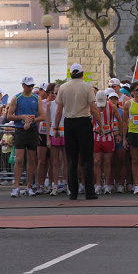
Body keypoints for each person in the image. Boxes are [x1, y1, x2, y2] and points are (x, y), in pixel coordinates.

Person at [54, 64, 102, 200]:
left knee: (71, 159)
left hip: (69, 123)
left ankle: (73, 192)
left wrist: (56, 128)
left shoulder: (63, 87)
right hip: (84, 122)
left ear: (70, 74)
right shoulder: (87, 87)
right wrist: (101, 126)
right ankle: (89, 191)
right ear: (82, 73)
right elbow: (93, 109)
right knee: (87, 159)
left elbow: (59, 111)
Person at [8, 77, 45, 197]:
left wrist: (32, 119)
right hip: (20, 130)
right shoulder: (17, 98)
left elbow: (43, 116)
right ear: (23, 85)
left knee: (31, 159)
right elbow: (9, 116)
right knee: (19, 159)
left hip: (32, 130)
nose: (30, 88)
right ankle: (17, 187)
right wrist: (23, 117)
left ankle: (29, 186)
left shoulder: (36, 98)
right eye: (28, 86)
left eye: (31, 86)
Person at [93, 90, 122, 195]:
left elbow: (119, 120)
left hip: (109, 135)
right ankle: (98, 184)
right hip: (96, 135)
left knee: (107, 161)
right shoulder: (92, 107)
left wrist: (119, 133)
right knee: (96, 161)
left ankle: (107, 184)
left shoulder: (112, 106)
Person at [46, 84, 67, 195]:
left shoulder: (66, 104)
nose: (56, 95)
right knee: (54, 162)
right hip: (54, 133)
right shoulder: (50, 105)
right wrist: (47, 139)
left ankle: (65, 184)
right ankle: (54, 186)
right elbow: (48, 122)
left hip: (65, 133)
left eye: (59, 93)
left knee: (66, 161)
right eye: (55, 93)